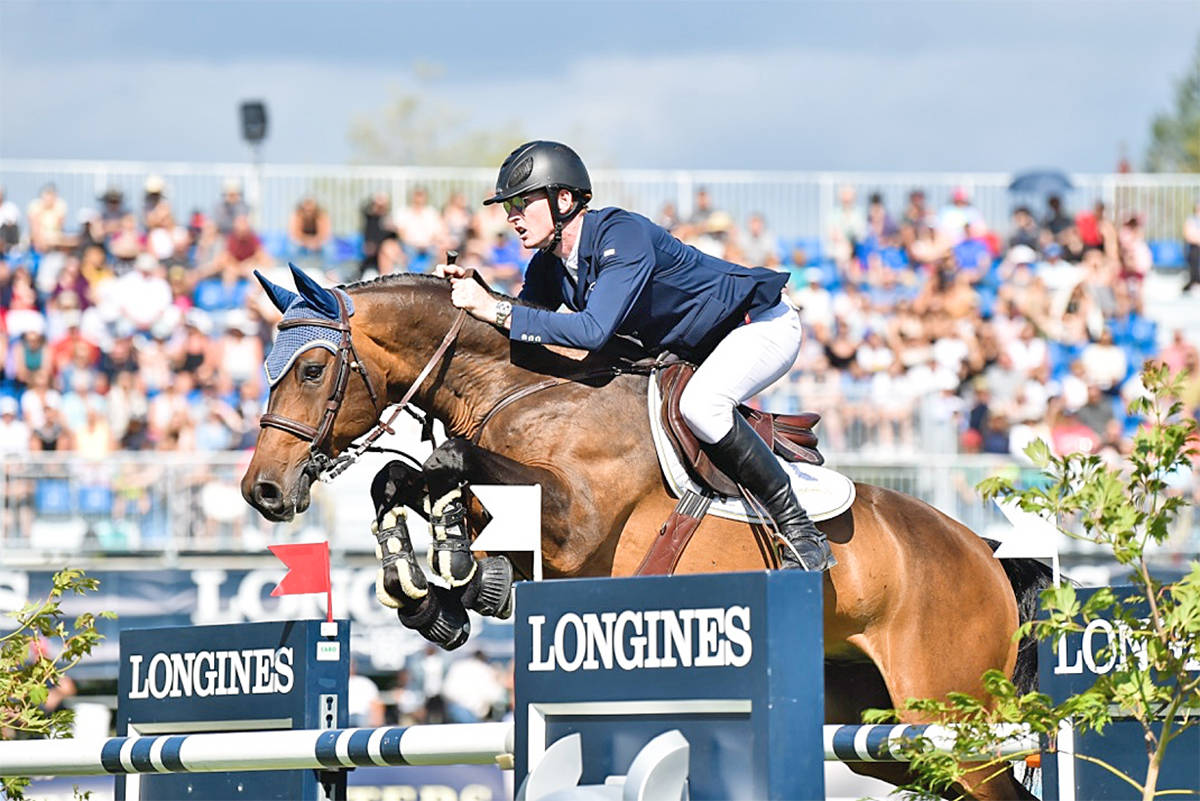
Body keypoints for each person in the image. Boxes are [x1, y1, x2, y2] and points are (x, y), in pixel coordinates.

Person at [441, 141, 834, 571]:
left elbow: (591, 330)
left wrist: (492, 307)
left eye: (521, 203)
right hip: (693, 349)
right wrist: (471, 293)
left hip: (755, 326)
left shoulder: (621, 234)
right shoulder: (548, 266)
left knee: (701, 406)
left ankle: (800, 531)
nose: (512, 217)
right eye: (508, 207)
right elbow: (522, 327)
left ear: (564, 200)